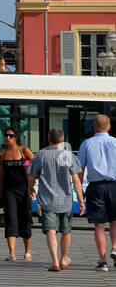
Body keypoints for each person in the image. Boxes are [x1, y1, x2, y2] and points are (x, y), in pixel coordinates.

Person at [29, 127, 85, 272]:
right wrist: (80, 200)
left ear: (49, 139)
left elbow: (32, 176)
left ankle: (54, 260)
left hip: (47, 200)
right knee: (66, 231)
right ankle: (63, 258)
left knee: (51, 230)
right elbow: (76, 181)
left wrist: (30, 189)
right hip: (65, 201)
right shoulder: (69, 156)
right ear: (63, 139)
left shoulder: (41, 155)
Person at [77, 113, 116, 272]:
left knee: (99, 225)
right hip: (115, 185)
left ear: (93, 127)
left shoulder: (87, 144)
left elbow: (79, 169)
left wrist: (79, 192)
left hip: (96, 187)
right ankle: (115, 248)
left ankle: (102, 261)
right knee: (115, 221)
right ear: (109, 127)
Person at [0, 128, 34, 261]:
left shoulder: (24, 151)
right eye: (6, 135)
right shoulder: (2, 154)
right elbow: (1, 173)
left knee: (25, 219)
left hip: (23, 190)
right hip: (9, 190)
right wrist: (1, 190)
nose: (7, 138)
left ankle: (27, 251)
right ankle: (12, 253)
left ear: (16, 137)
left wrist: (31, 185)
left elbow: (34, 167)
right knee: (11, 219)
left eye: (10, 136)